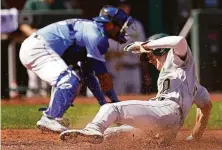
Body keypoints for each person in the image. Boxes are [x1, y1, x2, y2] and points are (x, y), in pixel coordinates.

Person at [60, 34, 212, 146]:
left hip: (166, 112)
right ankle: (88, 138)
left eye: (148, 55)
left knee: (111, 108)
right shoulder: (190, 82)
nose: (148, 59)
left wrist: (146, 45)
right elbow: (206, 106)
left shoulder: (177, 61)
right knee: (110, 135)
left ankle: (93, 128)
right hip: (167, 127)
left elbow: (179, 41)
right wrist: (195, 137)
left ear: (160, 50)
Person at [19, 5, 134, 133]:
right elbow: (103, 77)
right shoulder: (96, 36)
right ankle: (50, 117)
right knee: (68, 79)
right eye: (121, 26)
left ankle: (53, 117)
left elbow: (88, 75)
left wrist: (104, 103)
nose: (123, 30)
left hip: (35, 47)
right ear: (110, 25)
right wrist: (115, 104)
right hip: (38, 48)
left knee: (72, 80)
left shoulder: (92, 30)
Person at [20, 0, 68, 98]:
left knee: (51, 79)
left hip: (53, 45)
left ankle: (51, 104)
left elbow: (67, 22)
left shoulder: (60, 4)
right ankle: (32, 103)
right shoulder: (32, 3)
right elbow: (23, 24)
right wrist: (34, 33)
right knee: (34, 80)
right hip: (35, 45)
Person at [106, 0, 146, 94]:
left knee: (136, 100)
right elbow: (107, 52)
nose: (124, 8)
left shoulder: (137, 25)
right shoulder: (112, 26)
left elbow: (143, 48)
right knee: (119, 100)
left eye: (126, 6)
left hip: (135, 68)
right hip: (119, 70)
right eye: (121, 6)